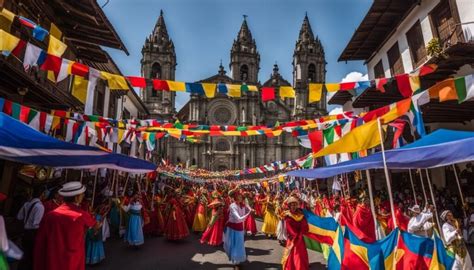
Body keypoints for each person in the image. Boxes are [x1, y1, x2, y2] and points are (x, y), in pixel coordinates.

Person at [34, 181, 97, 270]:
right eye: (82, 194)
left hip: (52, 260)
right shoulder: (82, 215)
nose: (83, 196)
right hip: (72, 261)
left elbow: (41, 243)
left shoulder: (49, 216)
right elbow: (94, 225)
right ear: (77, 197)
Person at [17, 186, 45, 270]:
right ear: (42, 194)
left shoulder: (26, 204)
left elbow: (19, 217)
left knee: (25, 254)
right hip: (33, 233)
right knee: (30, 255)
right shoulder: (40, 207)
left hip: (24, 232)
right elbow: (36, 223)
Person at [223, 189, 252, 269]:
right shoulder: (233, 206)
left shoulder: (242, 204)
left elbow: (248, 207)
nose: (241, 198)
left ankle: (237, 261)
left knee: (239, 244)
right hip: (232, 228)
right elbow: (238, 219)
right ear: (235, 197)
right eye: (239, 196)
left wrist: (250, 209)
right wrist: (249, 213)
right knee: (232, 244)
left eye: (241, 196)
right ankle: (235, 261)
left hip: (240, 228)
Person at [281, 196, 309, 270]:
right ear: (289, 206)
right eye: (291, 205)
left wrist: (301, 232)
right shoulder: (287, 216)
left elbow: (305, 225)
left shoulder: (300, 214)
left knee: (300, 255)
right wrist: (297, 235)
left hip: (299, 238)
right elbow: (289, 228)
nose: (293, 207)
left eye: (294, 205)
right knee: (292, 255)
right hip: (292, 239)